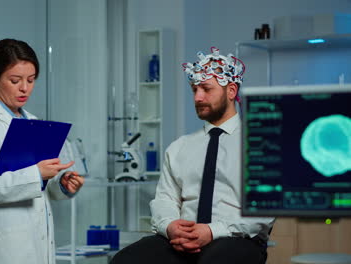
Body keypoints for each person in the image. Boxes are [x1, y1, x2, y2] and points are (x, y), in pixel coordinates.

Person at [111, 47, 275, 264]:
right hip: (181, 240)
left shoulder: (260, 144)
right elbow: (165, 198)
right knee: (125, 261)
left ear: (231, 91)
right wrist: (170, 226)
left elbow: (263, 209)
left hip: (236, 238)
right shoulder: (180, 147)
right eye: (194, 89)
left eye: (206, 89)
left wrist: (211, 230)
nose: (198, 97)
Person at [0, 38, 84, 264]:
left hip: (38, 241)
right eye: (15, 80)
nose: (25, 88)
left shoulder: (33, 122)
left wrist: (61, 183)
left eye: (31, 80)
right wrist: (36, 173)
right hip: (4, 246)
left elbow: (42, 187)